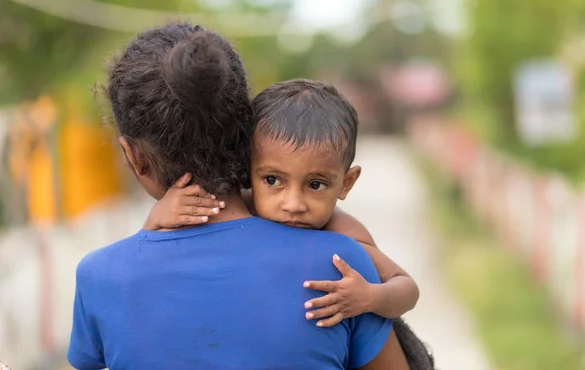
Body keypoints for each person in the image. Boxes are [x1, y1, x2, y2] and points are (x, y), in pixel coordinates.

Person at [67, 22, 409, 370]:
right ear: (245, 134)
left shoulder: (100, 277)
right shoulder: (341, 266)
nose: (293, 204)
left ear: (133, 156)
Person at [145, 79, 435, 368]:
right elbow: (152, 249)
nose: (294, 204)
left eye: (316, 185)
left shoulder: (342, 233)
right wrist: (159, 215)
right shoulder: (235, 208)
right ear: (247, 172)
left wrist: (370, 297)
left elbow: (407, 289)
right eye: (272, 180)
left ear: (346, 183)